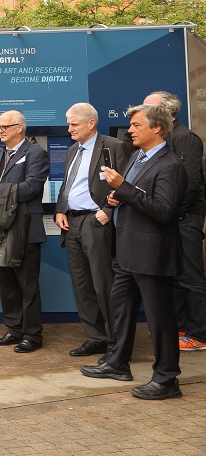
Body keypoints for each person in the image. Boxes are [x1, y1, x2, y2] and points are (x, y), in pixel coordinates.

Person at [81, 103, 187, 400]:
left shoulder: (171, 165)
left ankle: (167, 379)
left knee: (160, 319)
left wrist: (124, 188)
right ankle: (117, 362)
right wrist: (117, 198)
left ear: (157, 128)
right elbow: (135, 195)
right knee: (121, 309)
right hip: (126, 250)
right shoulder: (137, 156)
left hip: (152, 254)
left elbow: (165, 211)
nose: (130, 130)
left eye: (137, 125)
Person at [53, 103, 127, 358]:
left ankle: (118, 343)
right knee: (82, 284)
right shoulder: (73, 150)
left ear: (91, 123)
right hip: (71, 223)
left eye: (74, 124)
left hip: (96, 222)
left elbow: (126, 184)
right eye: (69, 124)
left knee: (103, 283)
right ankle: (95, 337)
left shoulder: (113, 146)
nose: (69, 128)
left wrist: (109, 211)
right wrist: (61, 209)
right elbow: (68, 184)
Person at [0, 110, 51, 353]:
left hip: (25, 228)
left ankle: (33, 335)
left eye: (5, 127)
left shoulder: (35, 154)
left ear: (19, 128)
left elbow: (31, 188)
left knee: (27, 285)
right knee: (4, 280)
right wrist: (3, 191)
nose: (0, 131)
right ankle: (14, 328)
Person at [142, 91, 206, 352]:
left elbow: (189, 183)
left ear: (167, 110)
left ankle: (199, 334)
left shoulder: (185, 138)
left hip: (184, 217)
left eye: (147, 107)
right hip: (167, 218)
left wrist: (169, 212)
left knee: (191, 276)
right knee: (174, 276)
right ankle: (178, 328)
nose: (141, 112)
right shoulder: (159, 139)